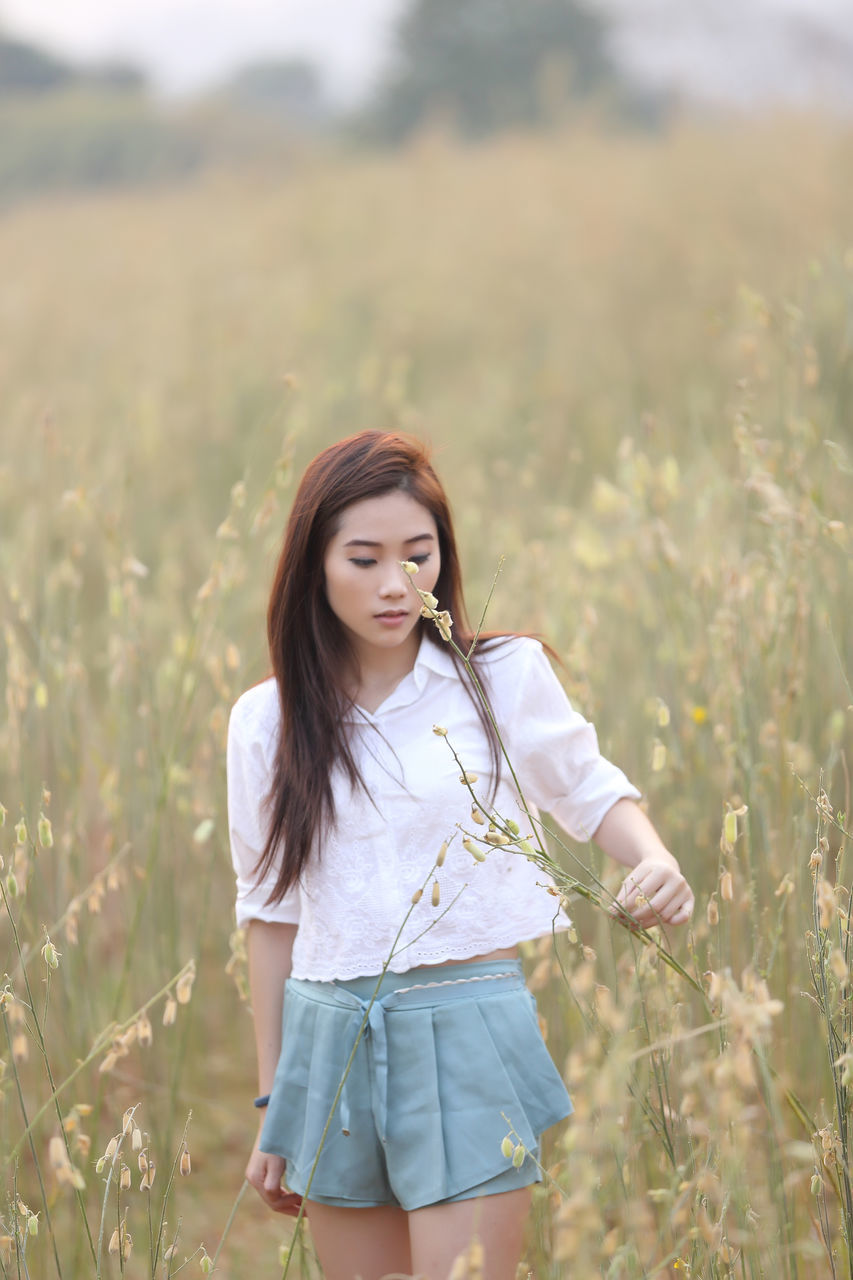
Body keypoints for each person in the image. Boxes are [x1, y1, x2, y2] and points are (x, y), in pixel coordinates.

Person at [227, 430, 694, 1280]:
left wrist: (651, 854)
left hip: (465, 1020)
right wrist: (276, 1100)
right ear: (314, 565)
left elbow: (587, 790)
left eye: (418, 555)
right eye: (363, 559)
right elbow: (268, 912)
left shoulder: (500, 677)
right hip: (329, 1037)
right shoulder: (267, 720)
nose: (395, 585)